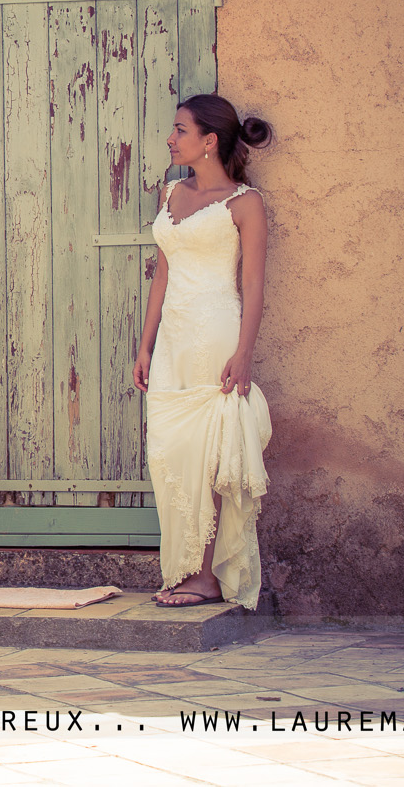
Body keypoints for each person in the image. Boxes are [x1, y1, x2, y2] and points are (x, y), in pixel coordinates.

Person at [135, 94, 275, 609]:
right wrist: (145, 344)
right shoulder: (171, 192)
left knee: (211, 454)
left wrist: (244, 352)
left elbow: (254, 285)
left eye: (179, 130)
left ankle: (206, 576)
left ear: (209, 141)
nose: (170, 139)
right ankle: (184, 565)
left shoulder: (245, 202)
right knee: (168, 451)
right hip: (172, 338)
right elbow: (162, 274)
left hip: (216, 332)